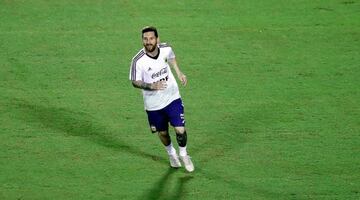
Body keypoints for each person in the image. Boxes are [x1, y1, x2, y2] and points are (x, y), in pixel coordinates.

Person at [129, 26, 194, 172]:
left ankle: (184, 154)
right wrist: (152, 86)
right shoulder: (138, 61)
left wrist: (179, 72)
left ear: (157, 39)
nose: (148, 42)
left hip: (172, 97)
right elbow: (134, 81)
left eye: (151, 38)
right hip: (153, 105)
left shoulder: (166, 48)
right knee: (163, 133)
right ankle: (171, 153)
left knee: (180, 129)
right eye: (145, 39)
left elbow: (171, 57)